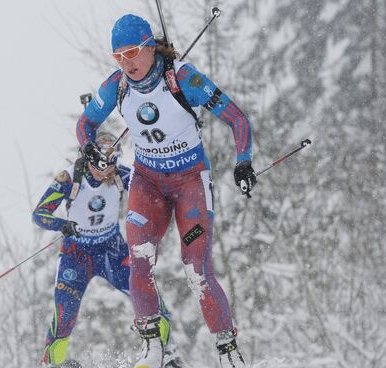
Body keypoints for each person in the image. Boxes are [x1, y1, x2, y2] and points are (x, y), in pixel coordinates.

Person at [75, 14, 257, 368]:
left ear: (149, 47)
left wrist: (243, 162)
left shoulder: (182, 78)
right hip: (148, 182)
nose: (126, 63)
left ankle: (228, 351)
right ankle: (151, 345)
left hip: (191, 181)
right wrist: (90, 148)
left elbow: (237, 118)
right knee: (139, 259)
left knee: (196, 268)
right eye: (118, 57)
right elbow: (86, 124)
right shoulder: (117, 86)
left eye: (131, 53)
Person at [33, 132, 185, 368]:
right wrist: (62, 225)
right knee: (64, 313)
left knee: (147, 296)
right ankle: (52, 363)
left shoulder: (122, 176)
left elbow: (157, 190)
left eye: (113, 162)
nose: (108, 170)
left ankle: (169, 354)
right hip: (76, 255)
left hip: (112, 251)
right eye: (104, 164)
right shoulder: (69, 177)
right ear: (92, 160)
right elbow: (40, 213)